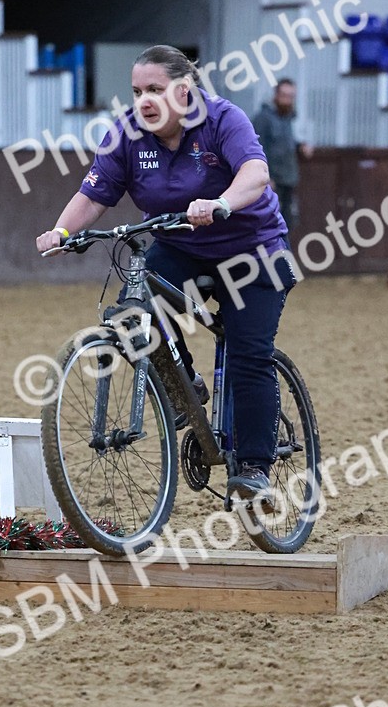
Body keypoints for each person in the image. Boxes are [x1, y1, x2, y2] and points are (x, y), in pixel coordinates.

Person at [36, 44, 297, 502]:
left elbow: (256, 174)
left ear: (185, 88)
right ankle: (184, 387)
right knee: (131, 313)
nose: (144, 101)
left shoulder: (224, 119)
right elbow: (94, 196)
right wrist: (61, 231)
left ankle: (255, 466)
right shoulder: (127, 134)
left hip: (254, 251)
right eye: (137, 91)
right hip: (183, 247)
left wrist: (221, 202)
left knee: (248, 352)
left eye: (155, 89)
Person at [251, 79, 313, 232]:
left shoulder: (287, 117)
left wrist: (300, 146)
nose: (287, 100)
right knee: (270, 223)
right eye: (284, 95)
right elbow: (257, 149)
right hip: (272, 181)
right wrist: (266, 177)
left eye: (291, 96)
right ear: (276, 95)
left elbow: (284, 143)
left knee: (287, 222)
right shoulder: (263, 118)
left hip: (288, 179)